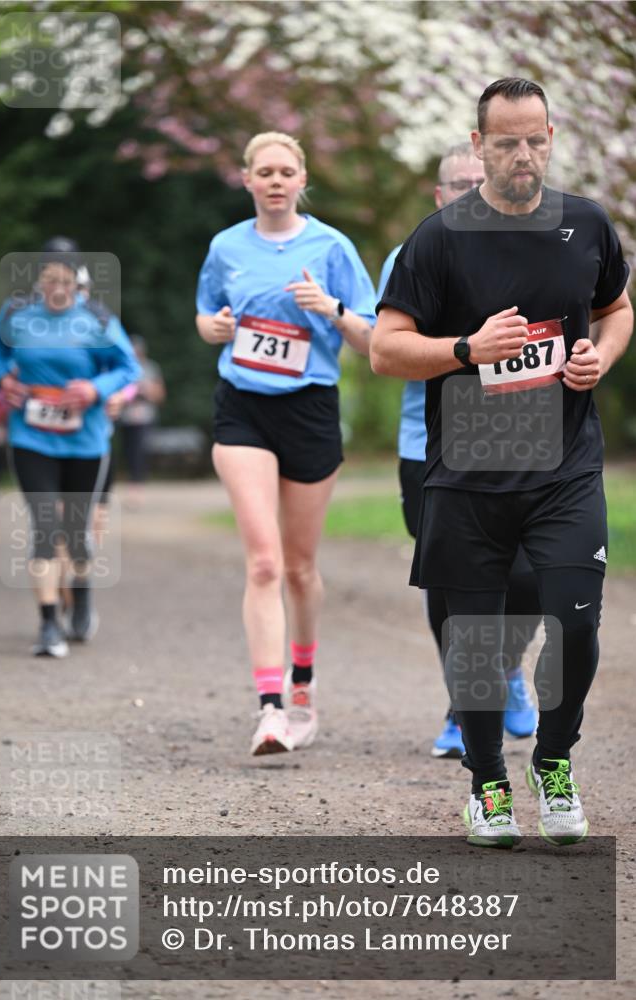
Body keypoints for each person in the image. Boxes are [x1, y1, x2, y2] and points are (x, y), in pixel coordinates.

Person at [372, 78, 632, 846]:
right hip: (468, 475)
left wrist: (599, 357)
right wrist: (465, 349)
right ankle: (486, 782)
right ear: (478, 144)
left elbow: (616, 309)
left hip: (564, 468)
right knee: (477, 643)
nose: (523, 154)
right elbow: (385, 349)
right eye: (506, 141)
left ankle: (552, 761)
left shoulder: (586, 224)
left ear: (550, 137)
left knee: (575, 623)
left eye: (534, 139)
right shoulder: (438, 239)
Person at [196, 131, 375, 756]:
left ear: (302, 180)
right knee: (265, 562)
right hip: (242, 407)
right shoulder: (226, 247)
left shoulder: (332, 247)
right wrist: (215, 327)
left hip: (310, 408)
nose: (275, 181)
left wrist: (330, 308)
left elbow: (370, 338)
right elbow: (206, 314)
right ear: (247, 179)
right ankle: (270, 709)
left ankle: (303, 678)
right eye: (264, 171)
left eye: (286, 171)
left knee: (299, 567)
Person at [377, 143, 539, 760]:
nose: (472, 192)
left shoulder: (533, 247)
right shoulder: (414, 254)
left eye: (480, 181)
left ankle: (506, 665)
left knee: (528, 575)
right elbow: (388, 350)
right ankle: (462, 706)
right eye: (459, 185)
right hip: (429, 446)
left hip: (521, 442)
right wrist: (467, 348)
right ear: (439, 195)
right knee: (450, 581)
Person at [0, 242, 141, 657]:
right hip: (31, 437)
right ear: (38, 280)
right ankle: (49, 623)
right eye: (50, 280)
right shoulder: (16, 314)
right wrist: (3, 379)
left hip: (84, 440)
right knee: (44, 526)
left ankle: (82, 592)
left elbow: (128, 367)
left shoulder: (98, 319)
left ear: (78, 283)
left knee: (75, 532)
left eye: (66, 282)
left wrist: (95, 388)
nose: (58, 289)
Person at [118, 335, 166, 507]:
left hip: (145, 418)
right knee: (129, 452)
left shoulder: (150, 368)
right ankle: (132, 486)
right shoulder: (122, 368)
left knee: (140, 453)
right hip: (126, 417)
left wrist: (145, 390)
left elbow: (160, 395)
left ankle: (136, 489)